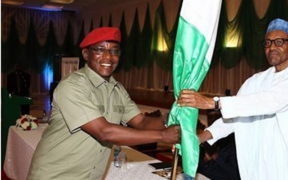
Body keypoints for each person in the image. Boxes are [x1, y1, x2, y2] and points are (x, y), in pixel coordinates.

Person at [178, 18, 288, 180]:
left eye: (279, 42)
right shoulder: (255, 81)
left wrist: (212, 102)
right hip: (265, 166)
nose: (272, 47)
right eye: (268, 43)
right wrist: (199, 138)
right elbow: (234, 118)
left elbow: (273, 101)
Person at [27, 27, 181, 180]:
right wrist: (162, 136)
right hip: (55, 175)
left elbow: (141, 121)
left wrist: (168, 118)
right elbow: (104, 132)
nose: (108, 57)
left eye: (114, 51)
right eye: (100, 49)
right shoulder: (72, 85)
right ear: (86, 54)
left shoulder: (117, 89)